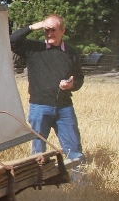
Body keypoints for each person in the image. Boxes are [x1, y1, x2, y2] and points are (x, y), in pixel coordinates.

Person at [10, 15, 85, 162]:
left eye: (53, 30)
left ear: (63, 31)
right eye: (46, 30)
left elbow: (79, 78)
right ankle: (39, 182)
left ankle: (80, 182)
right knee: (38, 153)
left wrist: (71, 85)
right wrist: (33, 26)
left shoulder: (71, 52)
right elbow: (12, 40)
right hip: (39, 107)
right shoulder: (34, 48)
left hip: (65, 108)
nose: (49, 34)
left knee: (74, 149)